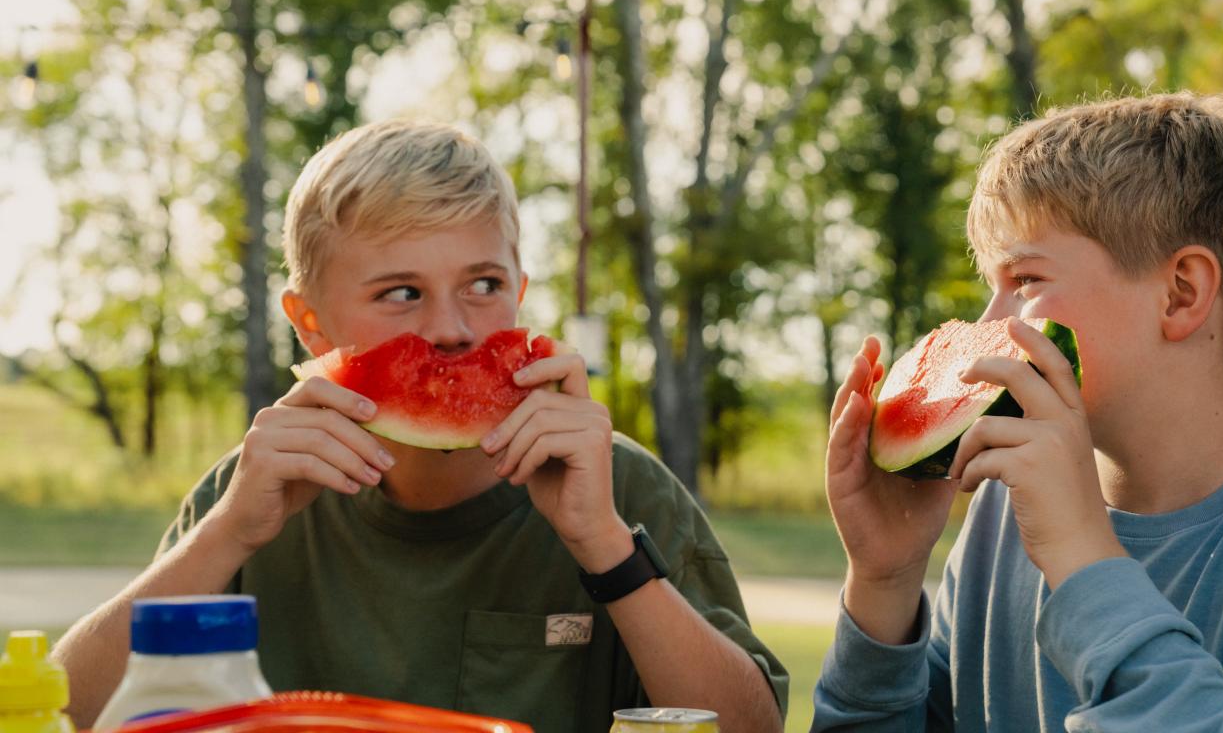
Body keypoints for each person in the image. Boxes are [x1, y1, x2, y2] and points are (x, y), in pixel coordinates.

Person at [55, 120, 786, 733]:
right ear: (310, 326)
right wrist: (230, 534)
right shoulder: (246, 496)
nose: (451, 329)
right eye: (401, 292)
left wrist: (604, 546)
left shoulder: (620, 488)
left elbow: (751, 726)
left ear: (521, 291)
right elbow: (60, 713)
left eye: (483, 285)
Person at [813, 93, 1223, 731]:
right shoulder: (1002, 516)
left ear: (1181, 293)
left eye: (1025, 282)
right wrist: (885, 583)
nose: (989, 325)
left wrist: (1083, 557)